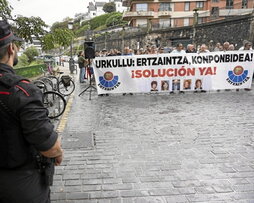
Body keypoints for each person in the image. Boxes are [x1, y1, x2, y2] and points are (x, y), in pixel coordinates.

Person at [0, 20, 63, 203]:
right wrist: (57, 152)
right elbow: (50, 147)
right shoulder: (21, 91)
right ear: (11, 48)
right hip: (19, 185)